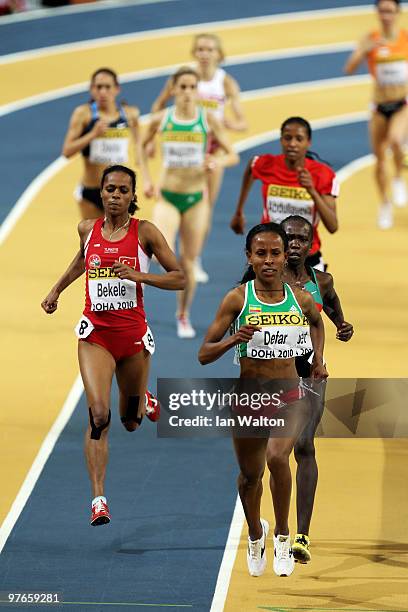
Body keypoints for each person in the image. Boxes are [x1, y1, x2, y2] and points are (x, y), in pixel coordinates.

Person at [41, 165, 185, 526]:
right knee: (99, 415)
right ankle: (98, 499)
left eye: (123, 190)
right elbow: (81, 260)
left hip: (133, 338)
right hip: (96, 337)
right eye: (110, 189)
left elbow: (179, 277)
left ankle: (145, 400)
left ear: (133, 196)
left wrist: (140, 275)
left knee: (131, 421)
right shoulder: (87, 229)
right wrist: (57, 289)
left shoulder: (145, 232)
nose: (116, 195)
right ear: (101, 193)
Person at [198, 222, 328, 577]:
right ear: (249, 257)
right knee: (249, 477)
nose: (268, 260)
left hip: (289, 395)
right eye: (261, 254)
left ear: (286, 256)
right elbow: (203, 353)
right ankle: (257, 532)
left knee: (277, 457)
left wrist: (318, 359)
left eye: (275, 253)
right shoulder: (238, 298)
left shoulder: (299, 298)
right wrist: (232, 339)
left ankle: (283, 535)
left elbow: (318, 323)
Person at [272, 215, 353, 564]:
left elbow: (333, 310)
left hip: (311, 373)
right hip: (272, 373)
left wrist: (343, 326)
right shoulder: (265, 278)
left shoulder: (322, 280)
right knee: (265, 457)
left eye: (301, 239)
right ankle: (273, 528)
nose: (293, 244)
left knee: (304, 445)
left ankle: (301, 536)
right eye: (288, 238)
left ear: (311, 245)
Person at [142, 66, 239, 339]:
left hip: (196, 199)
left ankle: (182, 313)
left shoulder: (207, 119)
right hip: (168, 197)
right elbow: (140, 144)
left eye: (191, 87)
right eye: (182, 87)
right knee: (161, 252)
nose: (186, 92)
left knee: (188, 261)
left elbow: (232, 154)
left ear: (197, 91)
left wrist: (216, 161)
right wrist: (148, 179)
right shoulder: (162, 119)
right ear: (173, 90)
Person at [151, 33, 247, 282]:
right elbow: (159, 106)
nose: (205, 54)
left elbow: (242, 121)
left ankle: (194, 257)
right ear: (195, 52)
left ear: (219, 54)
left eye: (210, 49)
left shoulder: (226, 83)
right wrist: (152, 140)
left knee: (204, 204)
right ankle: (177, 254)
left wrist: (227, 122)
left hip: (211, 152)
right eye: (201, 49)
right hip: (185, 146)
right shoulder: (185, 78)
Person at [230, 116, 339, 271]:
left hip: (306, 261)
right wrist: (239, 211)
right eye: (287, 138)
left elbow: (333, 226)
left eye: (299, 139)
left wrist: (312, 191)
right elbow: (251, 166)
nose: (292, 144)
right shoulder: (267, 164)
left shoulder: (323, 174)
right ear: (281, 140)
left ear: (308, 143)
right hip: (269, 259)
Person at [344, 0, 408, 229]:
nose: (386, 15)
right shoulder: (369, 38)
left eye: (390, 11)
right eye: (382, 10)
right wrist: (364, 49)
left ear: (397, 13)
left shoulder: (405, 38)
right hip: (379, 107)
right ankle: (385, 203)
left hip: (402, 105)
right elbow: (349, 69)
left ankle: (399, 177)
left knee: (395, 140)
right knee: (380, 161)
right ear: (377, 13)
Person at [62, 67, 145, 219]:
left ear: (117, 89)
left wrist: (142, 169)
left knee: (121, 241)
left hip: (121, 191)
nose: (103, 92)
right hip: (92, 191)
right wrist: (92, 134)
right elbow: (67, 151)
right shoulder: (83, 114)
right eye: (98, 87)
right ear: (91, 89)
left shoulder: (130, 114)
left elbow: (139, 142)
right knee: (91, 241)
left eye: (107, 87)